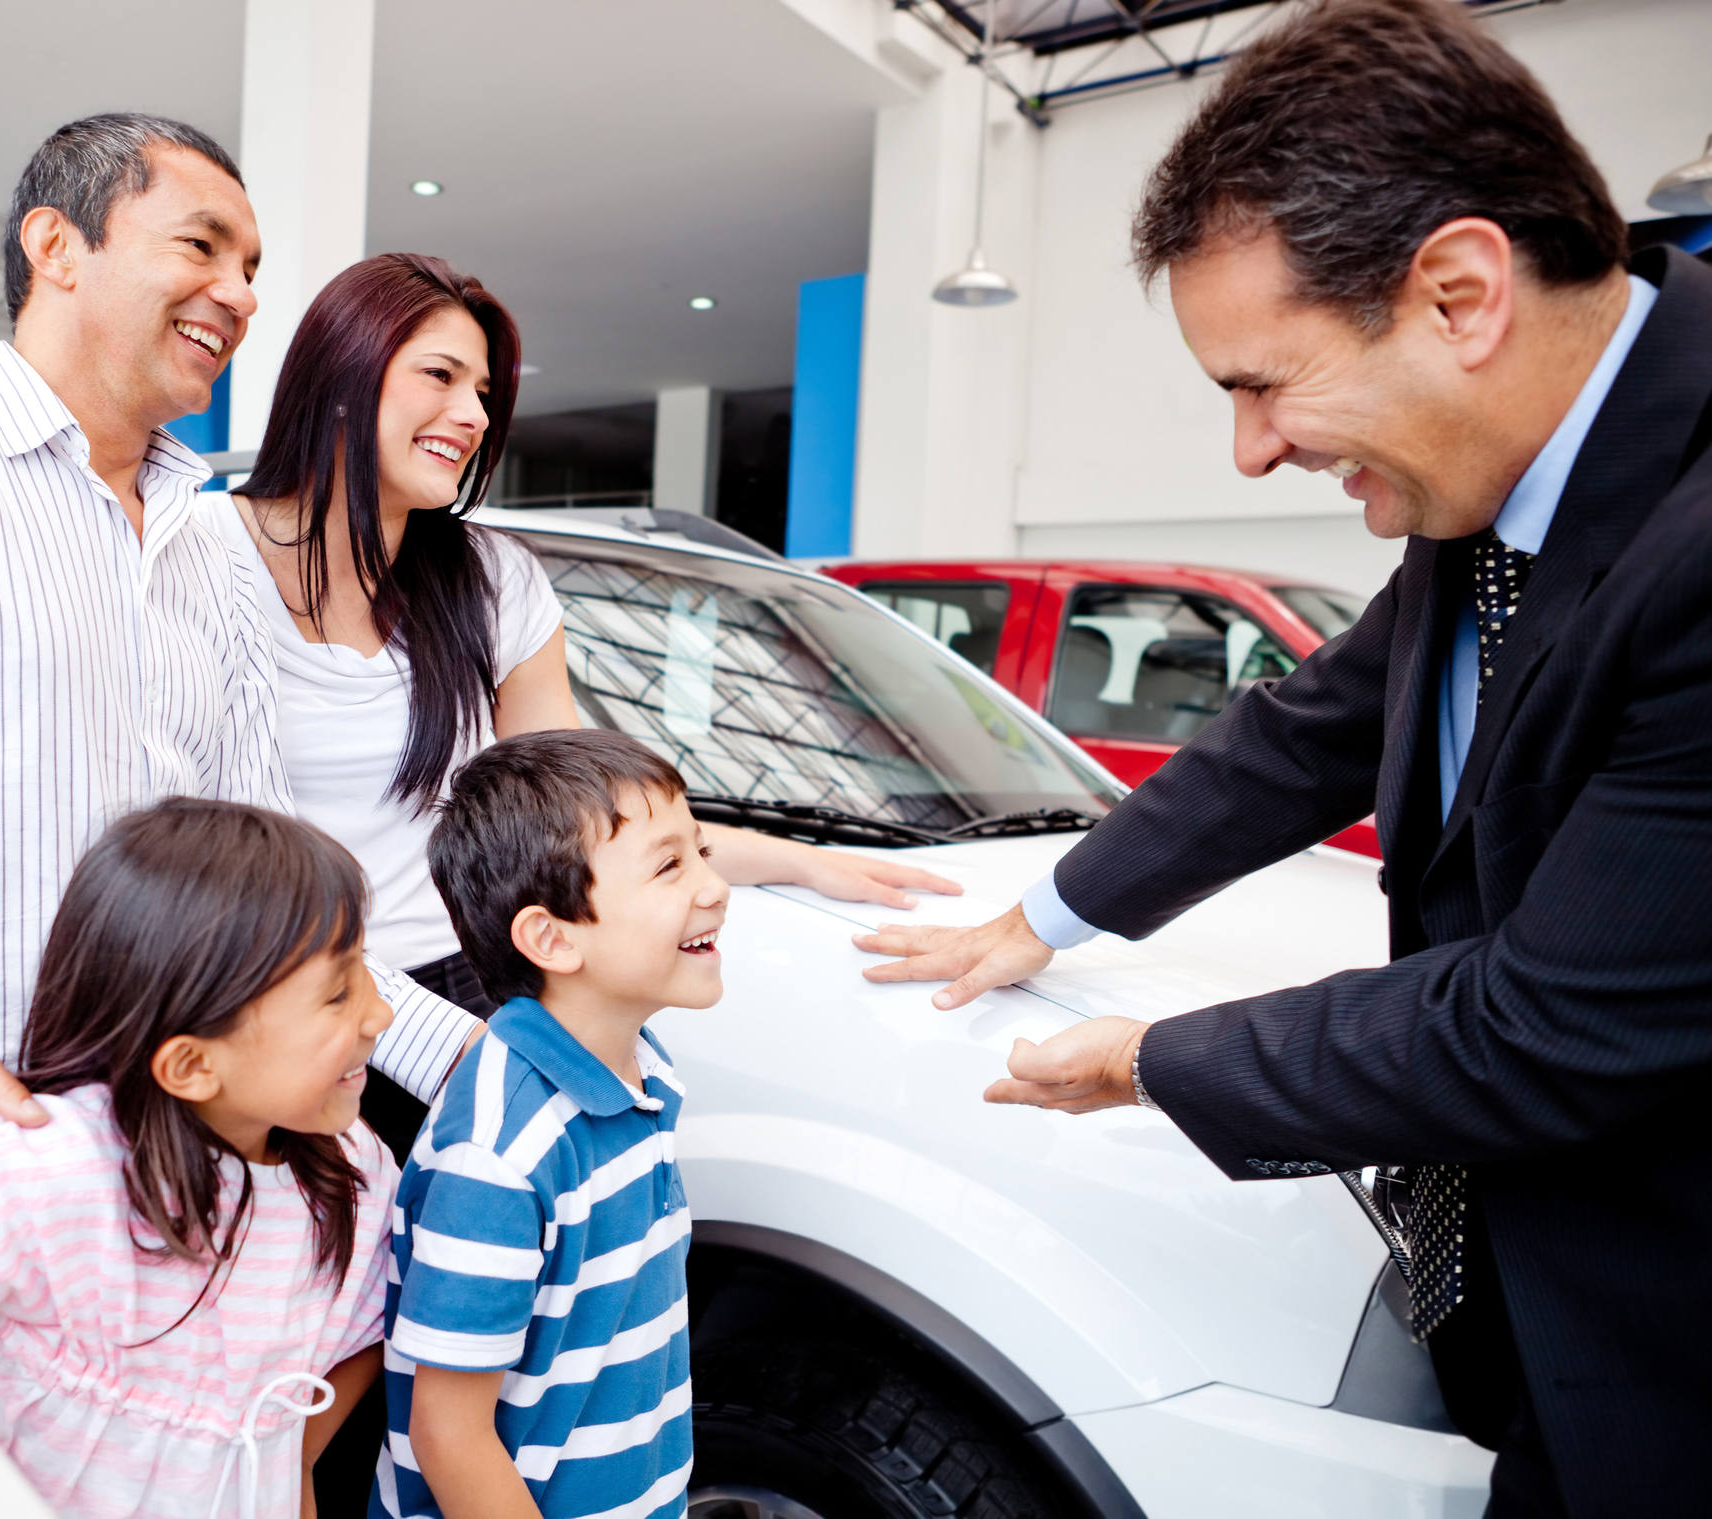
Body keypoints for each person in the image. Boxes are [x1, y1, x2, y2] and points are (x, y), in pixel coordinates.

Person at [855, 2, 1712, 1513]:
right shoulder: (1498, 492)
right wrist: (1041, 914)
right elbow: (1308, 728)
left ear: (1458, 294)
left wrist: (1145, 1057)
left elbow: (1539, 1021)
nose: (1250, 452)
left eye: (1262, 382)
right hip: (1546, 1340)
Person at [0, 115, 473, 1277]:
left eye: (251, 270)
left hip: (157, 1155)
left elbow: (265, 891)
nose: (236, 293)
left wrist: (474, 1068)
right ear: (56, 244)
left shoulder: (209, 547)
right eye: (202, 245)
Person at [207, 251, 957, 1146]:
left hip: (477, 982)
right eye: (439, 375)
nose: (472, 414)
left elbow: (572, 818)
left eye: (483, 390)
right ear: (341, 374)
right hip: (278, 999)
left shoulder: (490, 580)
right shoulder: (200, 557)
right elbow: (193, 858)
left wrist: (794, 859)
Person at [0, 798, 400, 1518]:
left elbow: (360, 1329)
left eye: (362, 970)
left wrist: (290, 1455)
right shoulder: (51, 1167)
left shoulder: (354, 1174)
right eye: (336, 992)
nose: (377, 1014)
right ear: (190, 1065)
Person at [372, 728, 719, 1518]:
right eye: (670, 865)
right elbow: (447, 1430)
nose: (712, 886)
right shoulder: (500, 1155)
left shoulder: (644, 1068)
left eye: (701, 851)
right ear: (552, 937)